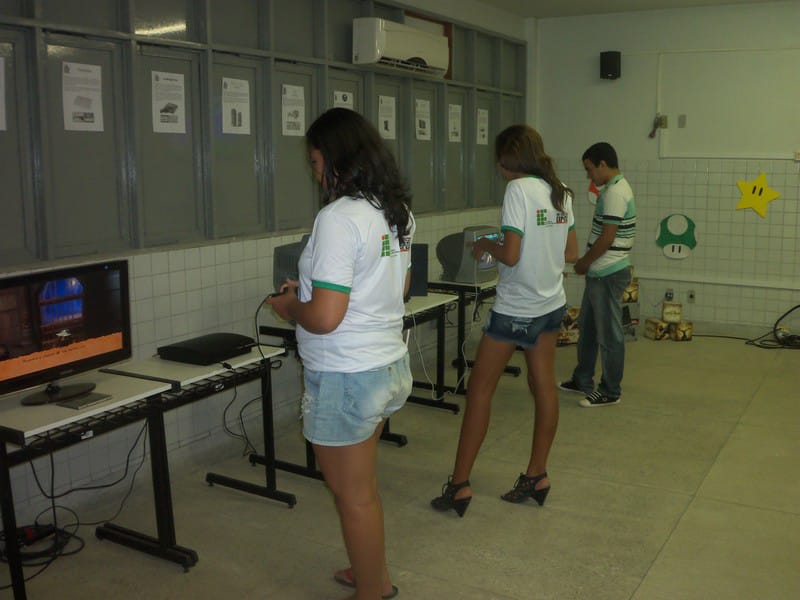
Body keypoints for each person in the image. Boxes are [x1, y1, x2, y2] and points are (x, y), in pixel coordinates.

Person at [268, 107, 414, 600]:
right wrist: (309, 291)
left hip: (348, 375)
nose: (315, 173)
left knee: (353, 497)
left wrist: (291, 307)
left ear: (335, 158)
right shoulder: (393, 210)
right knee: (362, 491)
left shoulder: (337, 218)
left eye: (315, 162)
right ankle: (372, 574)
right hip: (386, 367)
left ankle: (373, 590)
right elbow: (397, 286)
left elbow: (327, 317)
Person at [431, 124, 578, 517]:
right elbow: (570, 251)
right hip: (550, 304)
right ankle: (537, 475)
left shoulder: (517, 190)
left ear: (507, 159)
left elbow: (510, 254)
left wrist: (486, 244)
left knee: (480, 391)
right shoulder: (561, 191)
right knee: (543, 388)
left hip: (516, 309)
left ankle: (460, 485)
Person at [559, 141, 636, 407]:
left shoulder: (616, 193)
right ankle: (582, 379)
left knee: (609, 335)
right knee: (589, 329)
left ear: (603, 164)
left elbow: (607, 238)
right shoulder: (612, 189)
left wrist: (583, 263)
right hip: (600, 272)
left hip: (607, 273)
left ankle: (610, 390)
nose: (588, 175)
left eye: (590, 169)